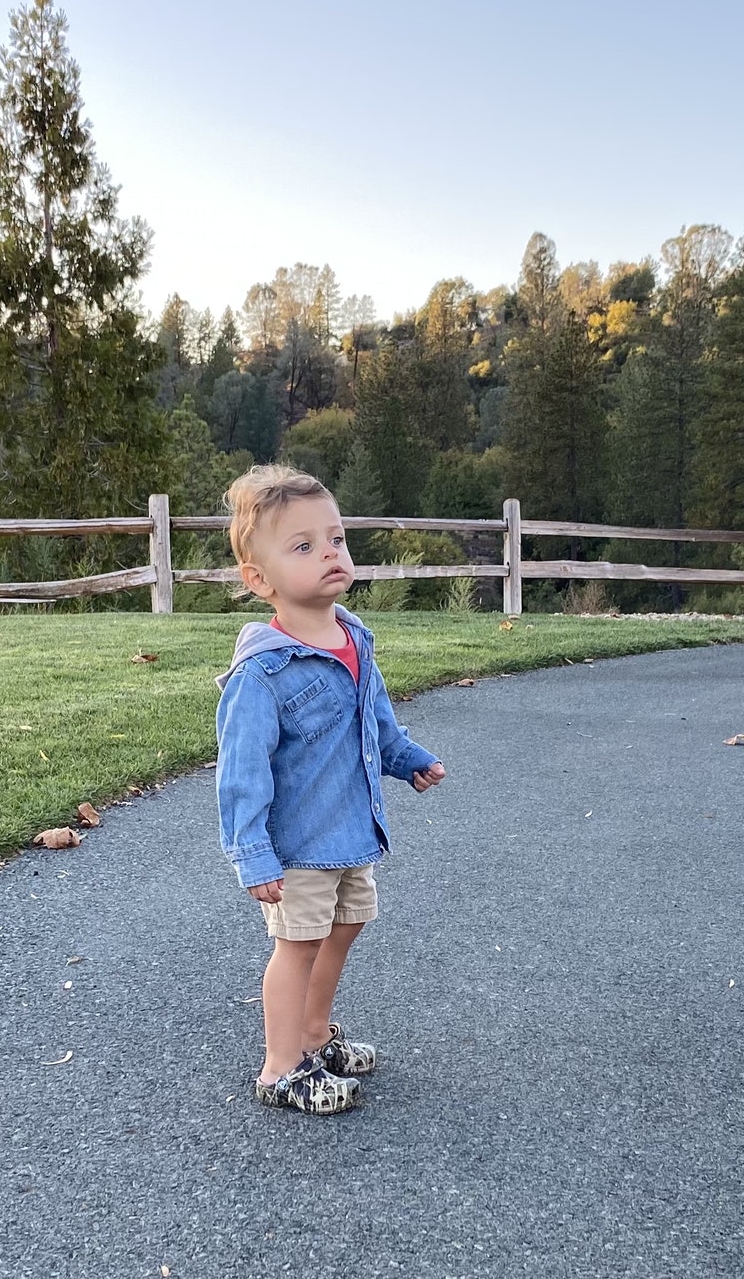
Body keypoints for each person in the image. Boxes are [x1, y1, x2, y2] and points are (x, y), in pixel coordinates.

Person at [213, 465, 446, 1113]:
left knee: (344, 928)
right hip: (298, 844)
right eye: (304, 546)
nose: (330, 554)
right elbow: (240, 771)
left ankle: (314, 1035)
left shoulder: (354, 638)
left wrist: (408, 759)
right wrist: (252, 852)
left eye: (336, 539)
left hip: (350, 831)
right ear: (258, 579)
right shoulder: (262, 671)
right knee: (299, 945)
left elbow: (376, 722)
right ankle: (280, 1067)